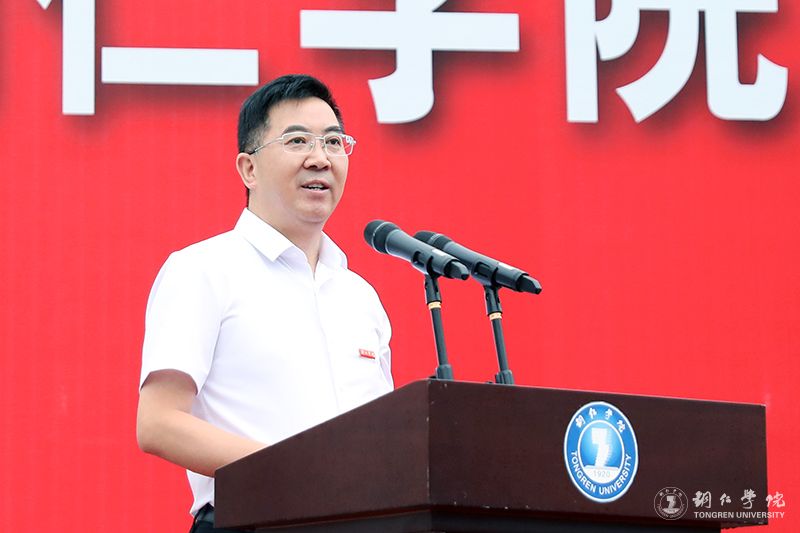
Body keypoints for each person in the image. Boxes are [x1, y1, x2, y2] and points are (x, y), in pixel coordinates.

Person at [137, 74, 393, 532]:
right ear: (248, 169)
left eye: (334, 142)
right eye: (297, 141)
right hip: (251, 519)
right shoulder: (203, 269)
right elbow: (158, 423)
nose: (320, 158)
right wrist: (300, 471)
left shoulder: (360, 296)